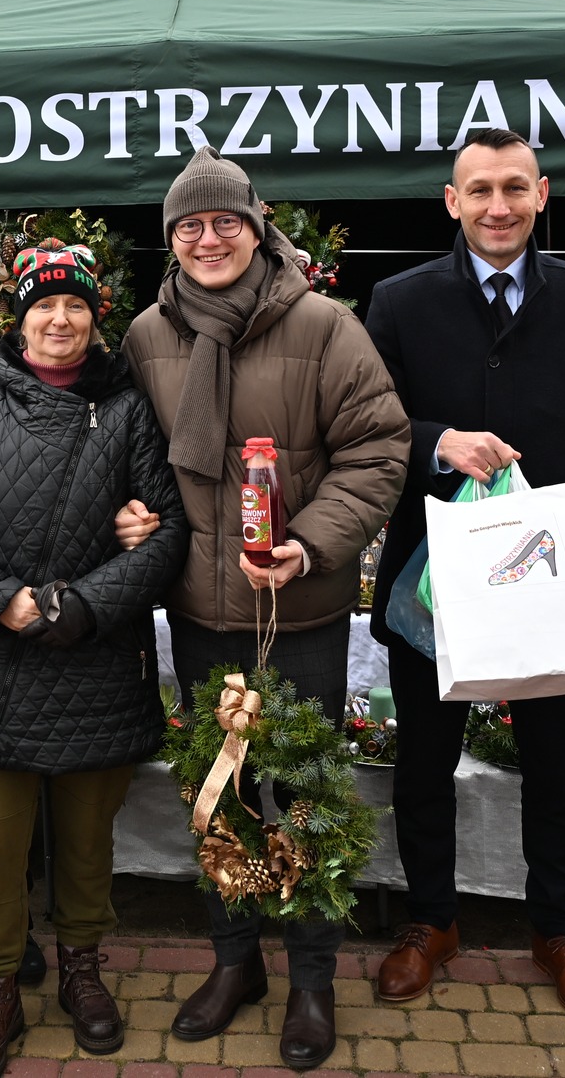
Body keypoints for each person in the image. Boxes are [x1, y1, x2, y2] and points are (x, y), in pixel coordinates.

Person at [363, 126, 565, 1026]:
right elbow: (366, 424)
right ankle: (432, 921)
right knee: (424, 761)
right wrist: (433, 440)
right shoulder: (400, 300)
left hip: (552, 581)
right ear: (451, 202)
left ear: (543, 194)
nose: (499, 206)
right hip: (434, 583)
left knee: (555, 767)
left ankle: (558, 931)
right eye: (480, 190)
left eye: (515, 188)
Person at [123, 147, 411, 1070]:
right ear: (171, 238)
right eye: (190, 225)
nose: (209, 238)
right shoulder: (145, 337)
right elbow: (128, 456)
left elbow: (379, 446)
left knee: (309, 795)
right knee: (220, 793)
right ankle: (235, 959)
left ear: (257, 226)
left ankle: (313, 981)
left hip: (302, 612)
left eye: (225, 221)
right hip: (200, 613)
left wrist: (315, 539)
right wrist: (126, 511)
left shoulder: (324, 326)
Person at [0, 243, 188, 1078]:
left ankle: (81, 970)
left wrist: (88, 603)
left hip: (95, 667)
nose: (59, 319)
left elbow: (167, 529)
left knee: (86, 843)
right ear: (19, 317)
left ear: (95, 317)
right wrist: (6, 598)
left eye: (75, 305)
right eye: (43, 306)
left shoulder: (130, 410)